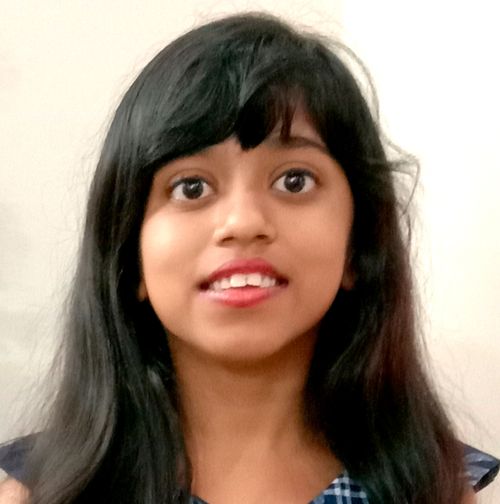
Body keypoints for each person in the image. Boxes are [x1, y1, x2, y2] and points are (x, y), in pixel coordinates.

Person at [0, 12, 497, 504]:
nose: (242, 221)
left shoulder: (434, 492)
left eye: (294, 180)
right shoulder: (41, 494)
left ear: (357, 246)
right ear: (129, 258)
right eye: (191, 187)